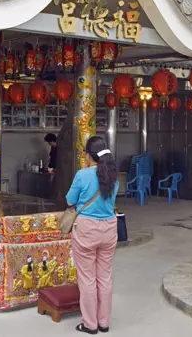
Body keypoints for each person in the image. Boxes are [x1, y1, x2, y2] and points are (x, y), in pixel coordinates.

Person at [65, 136, 119, 334]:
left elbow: (70, 200)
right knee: (104, 278)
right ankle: (104, 322)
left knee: (87, 279)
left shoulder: (82, 175)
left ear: (89, 155)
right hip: (109, 228)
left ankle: (90, 324)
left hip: (86, 230)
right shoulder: (113, 176)